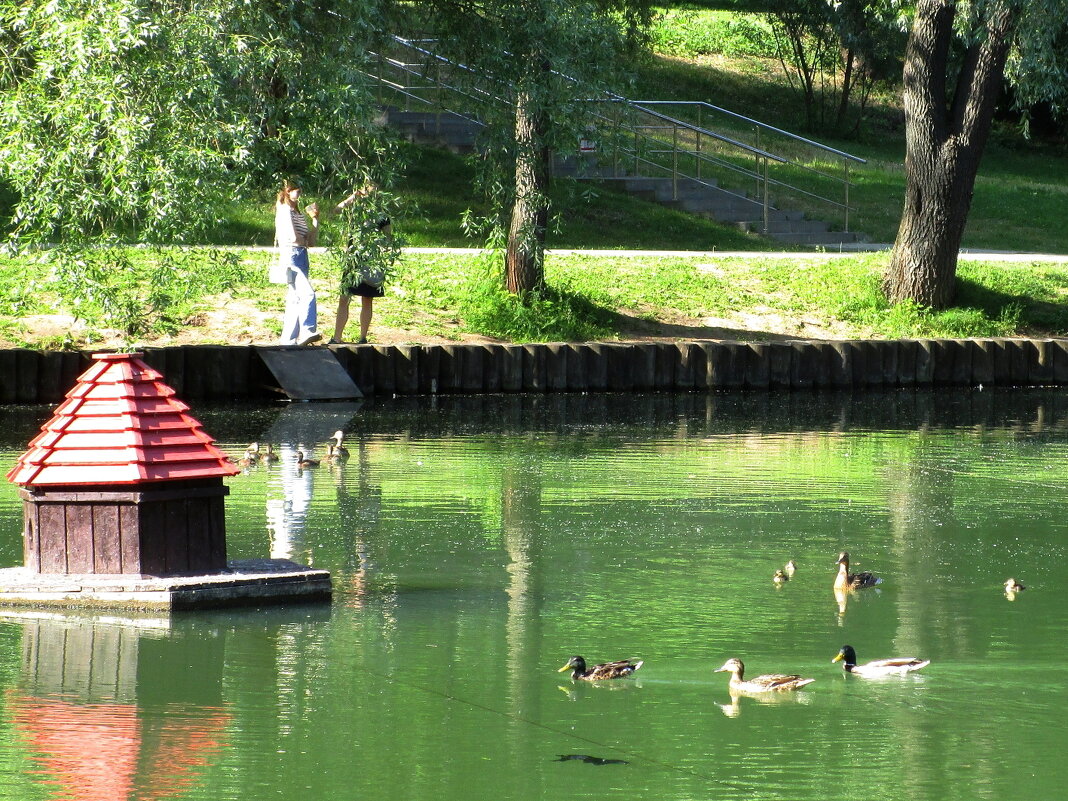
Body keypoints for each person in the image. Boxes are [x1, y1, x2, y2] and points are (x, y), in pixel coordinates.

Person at [328, 186, 390, 345]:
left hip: (370, 262)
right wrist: (351, 198)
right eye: (365, 193)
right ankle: (337, 337)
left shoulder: (382, 216)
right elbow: (336, 210)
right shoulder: (355, 212)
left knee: (367, 299)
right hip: (352, 262)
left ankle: (363, 337)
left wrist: (376, 243)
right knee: (344, 297)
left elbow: (389, 240)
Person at [275, 178, 321, 346]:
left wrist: (315, 220)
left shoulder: (298, 213)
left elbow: (312, 241)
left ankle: (288, 340)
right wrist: (302, 240)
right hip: (291, 255)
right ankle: (308, 330)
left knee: (294, 298)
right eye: (297, 191)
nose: (299, 194)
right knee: (308, 293)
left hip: (302, 255)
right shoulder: (284, 209)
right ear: (288, 191)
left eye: (300, 191)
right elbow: (293, 237)